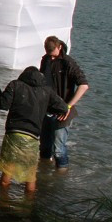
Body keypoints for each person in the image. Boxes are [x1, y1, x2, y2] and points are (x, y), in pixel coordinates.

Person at [0, 67, 68, 193]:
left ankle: (2, 203)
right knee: (30, 176)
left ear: (23, 75)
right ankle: (28, 207)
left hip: (13, 134)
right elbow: (63, 108)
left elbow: (3, 105)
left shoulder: (15, 85)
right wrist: (47, 110)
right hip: (32, 137)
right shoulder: (46, 91)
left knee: (7, 172)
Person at [39, 36, 89, 171]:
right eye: (50, 55)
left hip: (63, 111)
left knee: (59, 149)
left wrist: (68, 106)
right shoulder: (45, 60)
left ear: (59, 47)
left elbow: (83, 86)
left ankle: (61, 177)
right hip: (47, 109)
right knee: (44, 148)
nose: (52, 58)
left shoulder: (68, 62)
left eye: (54, 54)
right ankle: (44, 173)